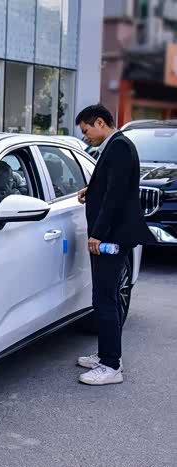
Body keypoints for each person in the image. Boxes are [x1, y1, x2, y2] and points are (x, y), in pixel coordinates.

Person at [74, 104, 155, 386]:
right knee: (104, 296)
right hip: (113, 234)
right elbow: (111, 185)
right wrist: (91, 189)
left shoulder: (119, 146)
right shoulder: (117, 145)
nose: (85, 136)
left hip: (112, 236)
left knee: (105, 299)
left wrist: (98, 234)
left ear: (99, 122)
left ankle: (111, 365)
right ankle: (105, 354)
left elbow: (116, 196)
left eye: (86, 130)